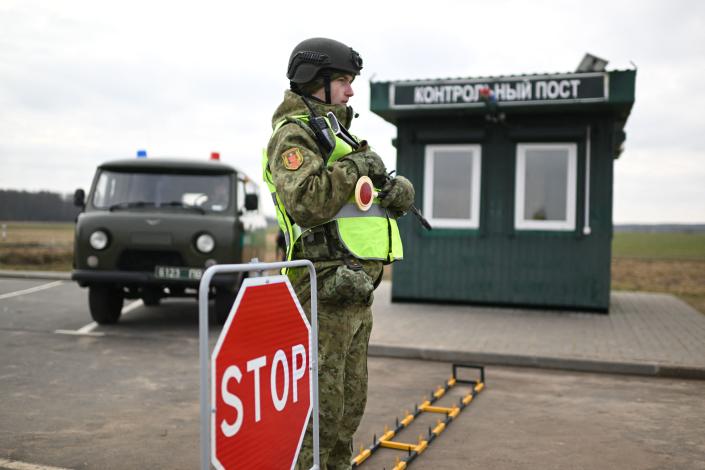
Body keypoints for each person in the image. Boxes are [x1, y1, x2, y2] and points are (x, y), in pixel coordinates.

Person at [262, 37, 415, 469]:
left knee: (347, 413)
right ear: (316, 81)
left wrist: (394, 193)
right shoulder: (293, 136)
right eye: (344, 81)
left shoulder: (339, 134)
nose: (350, 91)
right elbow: (307, 201)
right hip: (321, 292)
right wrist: (357, 169)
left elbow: (359, 199)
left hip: (354, 292)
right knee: (320, 417)